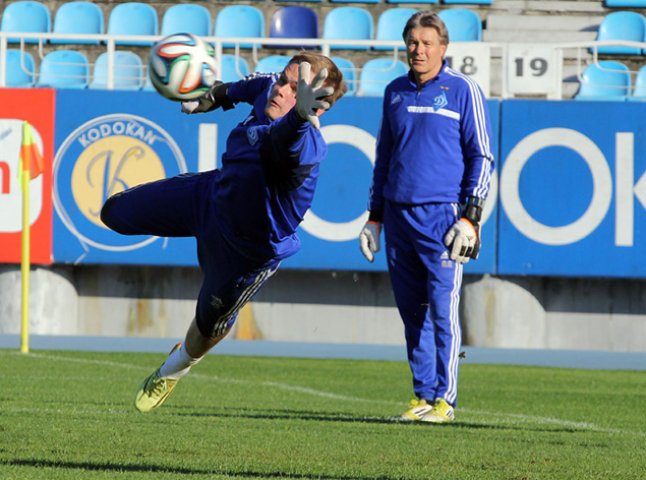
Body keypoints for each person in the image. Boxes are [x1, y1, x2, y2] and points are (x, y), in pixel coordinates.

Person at [101, 52, 347, 413]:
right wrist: (212, 97)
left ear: (317, 106)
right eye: (283, 78)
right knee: (114, 213)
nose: (281, 90)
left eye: (296, 89)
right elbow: (243, 88)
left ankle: (174, 369)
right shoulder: (271, 89)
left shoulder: (305, 146)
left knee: (205, 328)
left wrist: (298, 117)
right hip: (208, 199)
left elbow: (290, 138)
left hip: (245, 253)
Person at [358, 11, 494, 423]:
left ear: (443, 47)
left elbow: (481, 155)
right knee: (411, 311)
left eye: (427, 43)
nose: (419, 50)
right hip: (398, 216)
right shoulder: (394, 91)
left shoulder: (462, 90)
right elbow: (384, 157)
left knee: (441, 308)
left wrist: (470, 217)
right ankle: (421, 395)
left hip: (443, 218)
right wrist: (374, 216)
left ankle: (444, 401)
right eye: (413, 43)